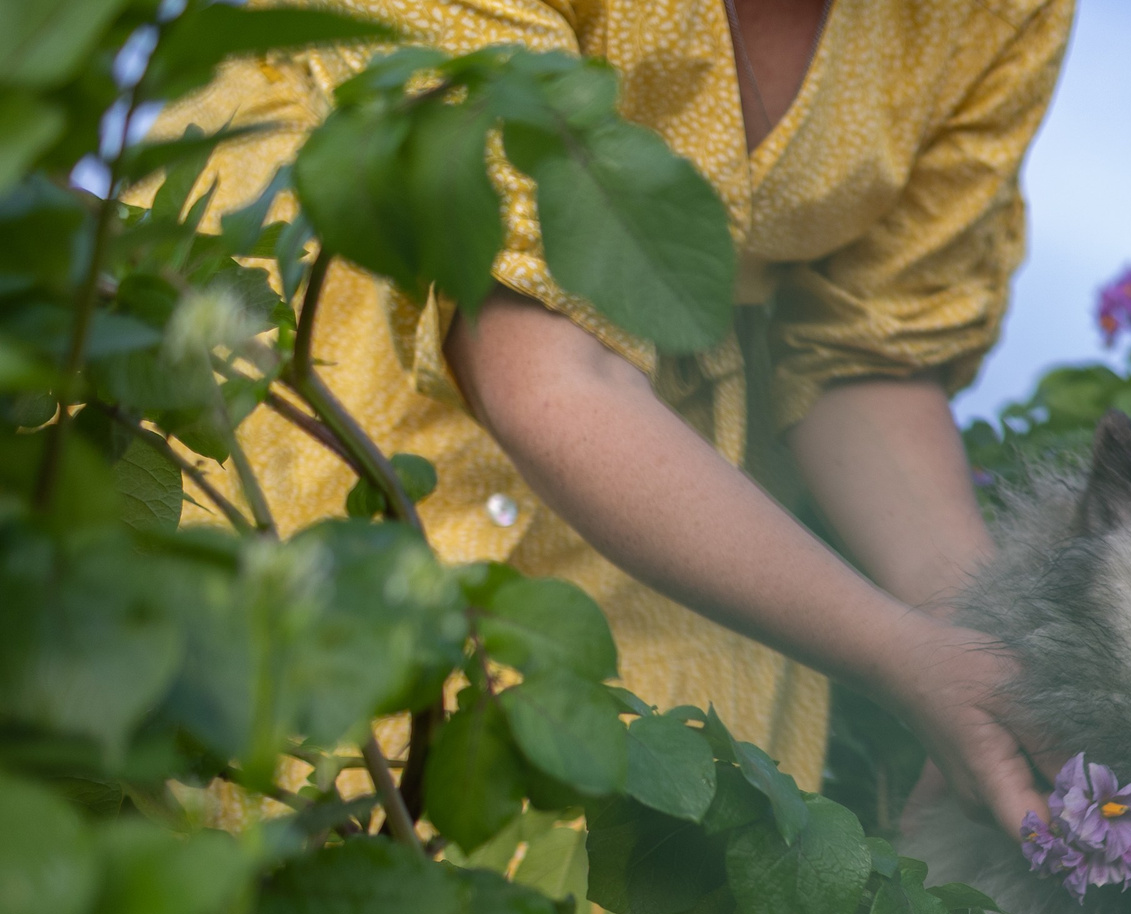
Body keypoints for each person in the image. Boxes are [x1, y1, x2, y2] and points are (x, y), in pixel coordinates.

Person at [168, 0, 1071, 836]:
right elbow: (550, 369)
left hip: (680, 521)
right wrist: (895, 651)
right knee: (235, 844)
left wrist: (989, 658)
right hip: (312, 394)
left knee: (594, 912)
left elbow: (863, 352)